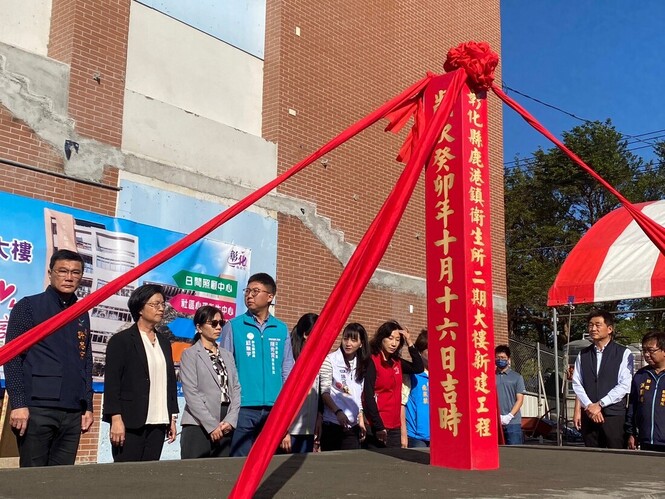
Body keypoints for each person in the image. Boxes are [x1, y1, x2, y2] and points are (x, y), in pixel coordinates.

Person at [5, 249, 93, 467]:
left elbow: (86, 360)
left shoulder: (81, 312)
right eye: (63, 271)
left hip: (73, 411)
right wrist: (18, 404)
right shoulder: (29, 306)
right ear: (50, 272)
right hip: (37, 408)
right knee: (33, 479)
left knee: (60, 480)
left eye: (75, 272)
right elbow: (12, 356)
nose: (69, 277)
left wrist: (88, 405)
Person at [103, 284, 179, 462]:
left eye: (162, 304)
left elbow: (169, 382)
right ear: (139, 308)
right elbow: (113, 384)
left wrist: (172, 417)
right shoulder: (121, 341)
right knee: (127, 477)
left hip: (159, 422)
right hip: (130, 422)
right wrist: (115, 419)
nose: (161, 309)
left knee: (149, 476)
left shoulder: (164, 342)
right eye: (155, 304)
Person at [220, 272, 289, 456]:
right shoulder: (234, 326)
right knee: (239, 459)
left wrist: (285, 404)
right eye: (247, 290)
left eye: (255, 291)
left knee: (267, 459)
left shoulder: (281, 329)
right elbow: (225, 367)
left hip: (274, 408)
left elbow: (287, 368)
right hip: (244, 407)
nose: (249, 295)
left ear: (269, 297)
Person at [180, 306, 241, 459]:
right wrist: (211, 426)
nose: (219, 327)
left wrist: (231, 420)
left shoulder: (227, 355)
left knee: (220, 475)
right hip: (198, 423)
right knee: (194, 475)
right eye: (213, 323)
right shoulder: (190, 354)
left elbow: (235, 388)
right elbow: (191, 393)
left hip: (225, 422)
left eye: (221, 323)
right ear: (199, 327)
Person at [571, 309, 633, 449]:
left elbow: (624, 384)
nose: (593, 328)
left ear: (609, 329)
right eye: (590, 325)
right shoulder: (583, 354)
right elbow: (577, 383)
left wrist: (599, 404)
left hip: (613, 415)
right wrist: (589, 406)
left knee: (615, 456)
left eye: (598, 325)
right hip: (589, 414)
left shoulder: (623, 353)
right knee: (592, 458)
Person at [363, 320, 424, 448]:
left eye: (397, 340)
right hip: (377, 426)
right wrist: (379, 426)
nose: (394, 343)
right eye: (390, 338)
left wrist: (410, 342)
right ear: (381, 339)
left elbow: (418, 368)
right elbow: (368, 396)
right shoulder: (372, 361)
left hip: (395, 426)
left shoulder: (397, 362)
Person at [319, 323, 371, 451]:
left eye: (353, 340)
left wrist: (360, 417)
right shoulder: (330, 360)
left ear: (361, 343)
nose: (348, 343)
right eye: (345, 338)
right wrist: (338, 412)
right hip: (333, 424)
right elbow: (324, 393)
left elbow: (357, 394)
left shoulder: (362, 364)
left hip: (352, 427)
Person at [280, 313, 321, 453]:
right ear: (305, 334)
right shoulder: (290, 361)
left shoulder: (317, 361)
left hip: (308, 430)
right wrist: (284, 431)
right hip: (290, 432)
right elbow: (283, 398)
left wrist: (318, 419)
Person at [625, 331, 665, 452]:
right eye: (644, 350)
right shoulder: (641, 375)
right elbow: (632, 406)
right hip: (645, 440)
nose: (647, 354)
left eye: (651, 350)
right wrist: (631, 433)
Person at [401, 329, 430, 448]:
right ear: (420, 351)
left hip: (438, 434)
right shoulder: (411, 374)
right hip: (415, 436)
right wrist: (403, 435)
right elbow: (402, 404)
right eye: (429, 349)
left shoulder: (444, 377)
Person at [495, 344, 526, 445]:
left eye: (503, 357)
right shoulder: (489, 377)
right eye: (498, 357)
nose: (500, 360)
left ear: (508, 359)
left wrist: (509, 416)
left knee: (514, 454)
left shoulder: (517, 377)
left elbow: (520, 399)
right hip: (494, 422)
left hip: (513, 422)